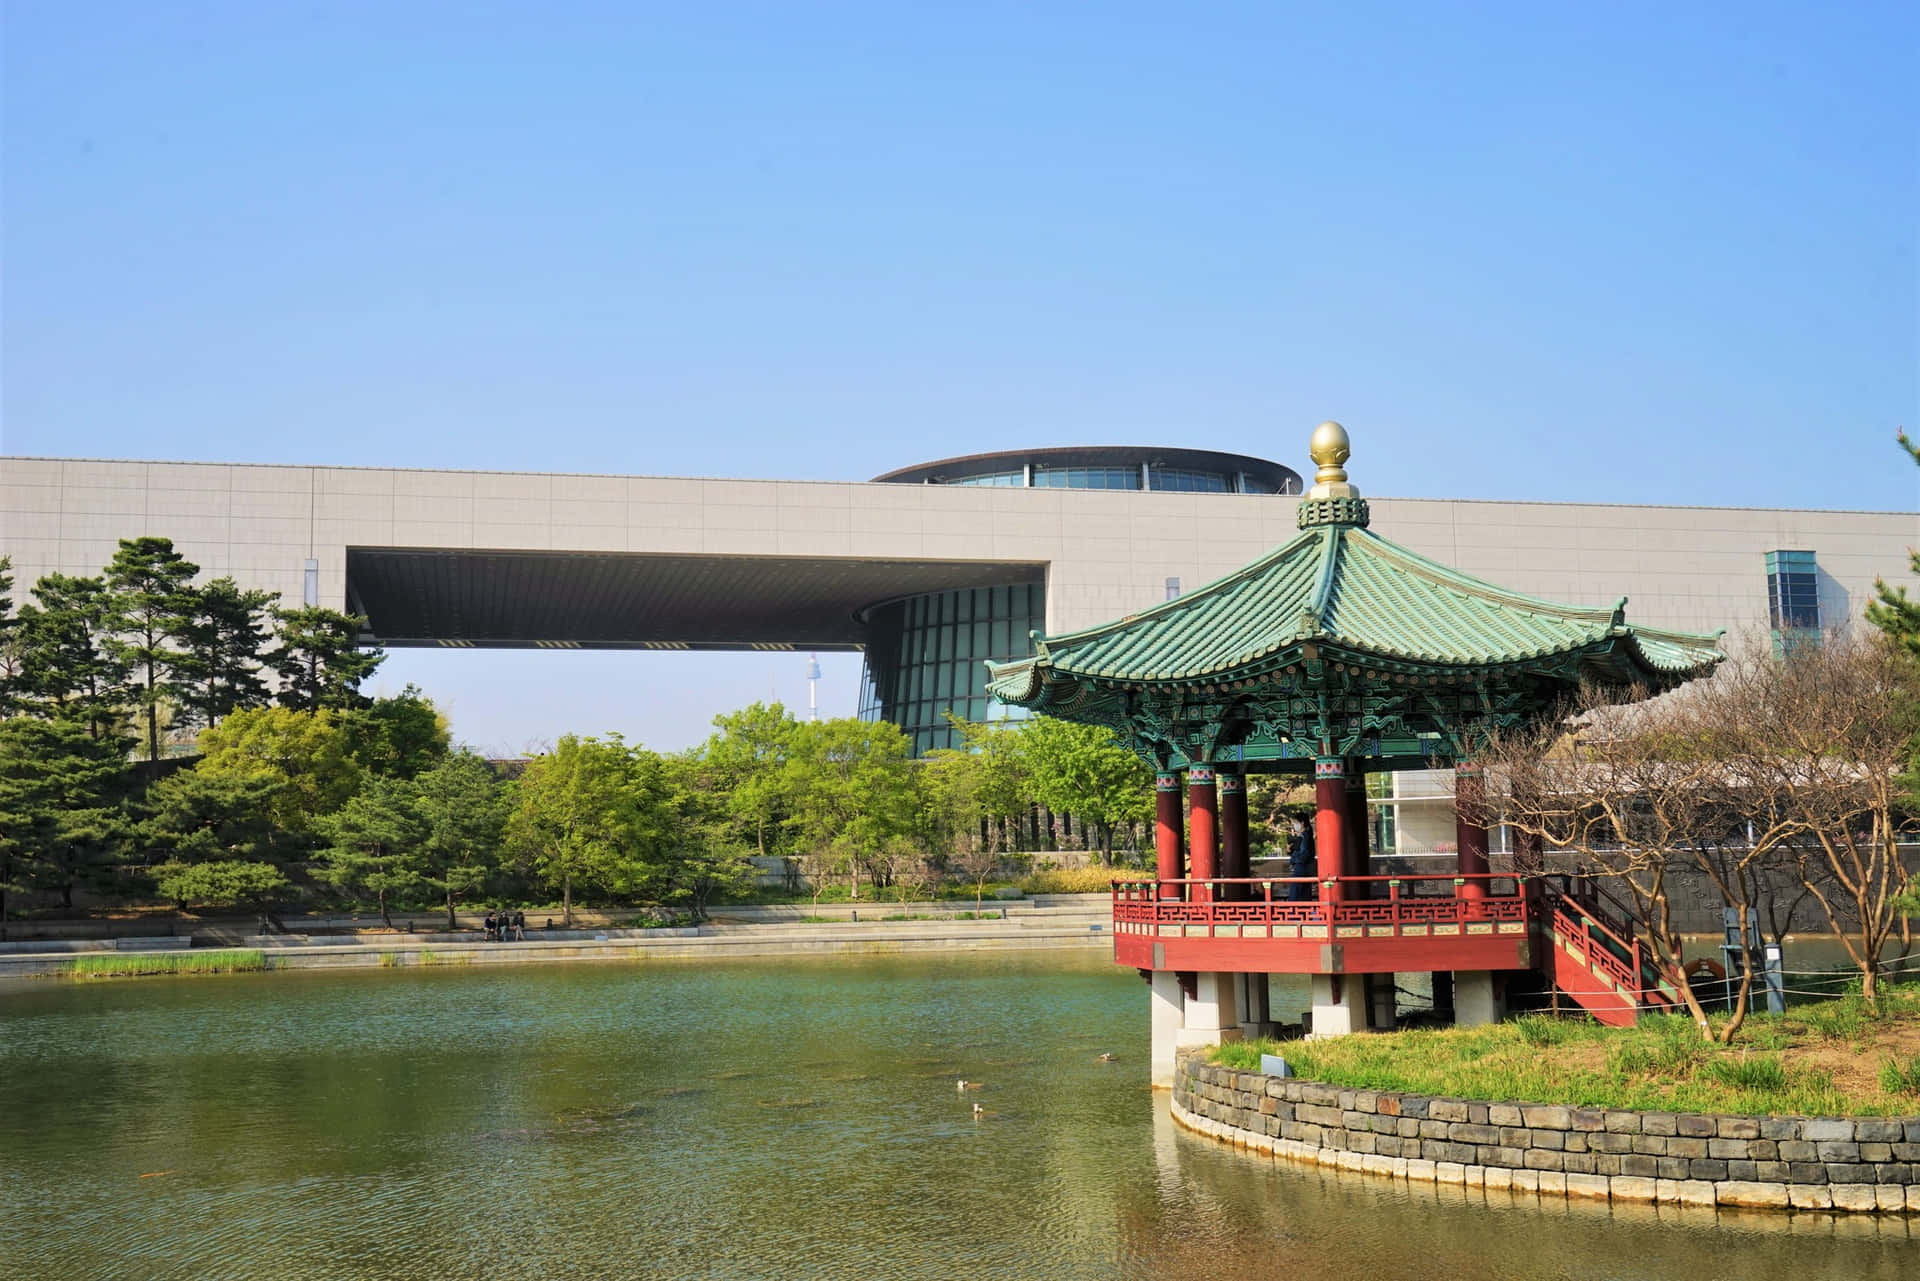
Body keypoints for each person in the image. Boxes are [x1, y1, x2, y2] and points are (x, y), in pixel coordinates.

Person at [1287, 816, 1316, 902]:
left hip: (1300, 868)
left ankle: (1294, 915)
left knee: (1295, 896)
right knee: (1305, 896)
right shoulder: (1308, 836)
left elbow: (1304, 854)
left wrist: (1293, 860)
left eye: (1295, 823)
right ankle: (1304, 914)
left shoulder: (1303, 837)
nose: (1294, 825)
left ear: (1302, 823)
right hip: (1307, 869)